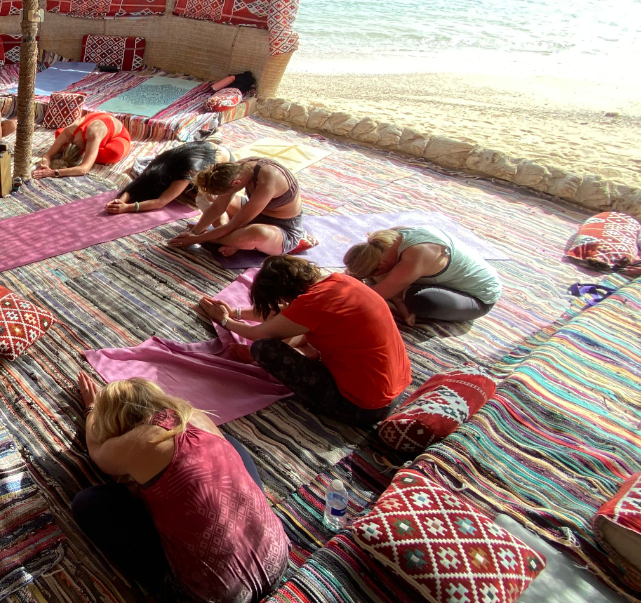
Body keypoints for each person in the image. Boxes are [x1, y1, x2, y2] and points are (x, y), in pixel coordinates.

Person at [71, 374, 288, 603]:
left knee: (88, 503)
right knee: (229, 445)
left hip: (219, 600)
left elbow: (97, 451)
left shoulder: (139, 441)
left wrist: (91, 409)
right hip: (278, 559)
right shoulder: (194, 416)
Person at [197, 255, 411, 426]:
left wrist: (224, 321)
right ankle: (309, 352)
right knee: (302, 330)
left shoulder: (313, 303)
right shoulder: (340, 283)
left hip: (363, 408)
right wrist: (235, 313)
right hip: (396, 392)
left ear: (285, 294)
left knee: (264, 348)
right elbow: (288, 313)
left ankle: (305, 356)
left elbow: (260, 334)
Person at [343, 227, 502, 325]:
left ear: (381, 266)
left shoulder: (416, 256)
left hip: (479, 298)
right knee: (385, 285)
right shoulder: (388, 240)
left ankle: (400, 292)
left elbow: (368, 299)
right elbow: (355, 273)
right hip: (431, 273)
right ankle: (398, 292)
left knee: (420, 301)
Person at [168, 158, 309, 257]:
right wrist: (195, 231)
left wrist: (195, 239)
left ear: (236, 183)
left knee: (257, 233)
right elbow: (218, 208)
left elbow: (232, 225)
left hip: (283, 229)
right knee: (205, 197)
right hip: (253, 213)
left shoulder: (269, 180)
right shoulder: (237, 168)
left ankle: (223, 239)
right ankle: (235, 241)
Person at [105, 142, 233, 215]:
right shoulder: (161, 162)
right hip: (202, 149)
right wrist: (120, 201)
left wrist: (127, 208)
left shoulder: (188, 172)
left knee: (201, 198)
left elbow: (161, 202)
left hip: (221, 159)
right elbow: (139, 183)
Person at [32, 112, 132, 180]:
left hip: (119, 135)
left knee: (112, 153)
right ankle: (91, 154)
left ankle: (92, 154)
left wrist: (53, 173)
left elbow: (83, 169)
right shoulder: (69, 132)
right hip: (97, 125)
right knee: (59, 133)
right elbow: (47, 155)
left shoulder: (93, 135)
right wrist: (45, 165)